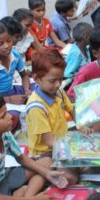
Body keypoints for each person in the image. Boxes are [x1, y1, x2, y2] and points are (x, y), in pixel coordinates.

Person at [25, 49, 82, 186]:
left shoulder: (58, 92)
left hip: (61, 142)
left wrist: (82, 126)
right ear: (36, 78)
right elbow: (50, 142)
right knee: (69, 177)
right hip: (46, 152)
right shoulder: (36, 107)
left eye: (60, 79)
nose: (58, 84)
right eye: (52, 81)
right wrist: (73, 149)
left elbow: (72, 110)